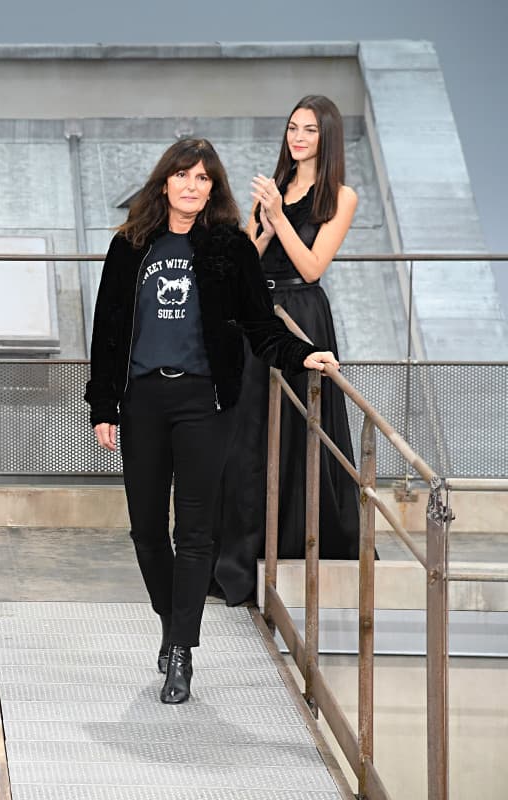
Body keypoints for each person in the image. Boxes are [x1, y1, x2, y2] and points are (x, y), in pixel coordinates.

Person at [85, 138, 337, 704]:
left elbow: (258, 322)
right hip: (144, 401)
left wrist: (303, 354)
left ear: (213, 188)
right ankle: (173, 619)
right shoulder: (129, 247)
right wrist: (103, 407)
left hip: (206, 403)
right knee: (147, 530)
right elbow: (106, 333)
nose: (192, 186)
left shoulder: (229, 247)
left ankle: (180, 651)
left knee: (194, 532)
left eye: (203, 178)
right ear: (164, 183)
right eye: (182, 175)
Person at [211, 95, 362, 606]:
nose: (298, 137)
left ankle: (298, 553)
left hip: (302, 312)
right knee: (246, 435)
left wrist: (280, 218)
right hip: (258, 316)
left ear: (328, 138)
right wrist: (265, 225)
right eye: (293, 128)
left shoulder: (341, 196)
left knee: (299, 435)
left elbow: (314, 265)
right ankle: (237, 559)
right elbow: (246, 260)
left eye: (310, 130)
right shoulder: (272, 190)